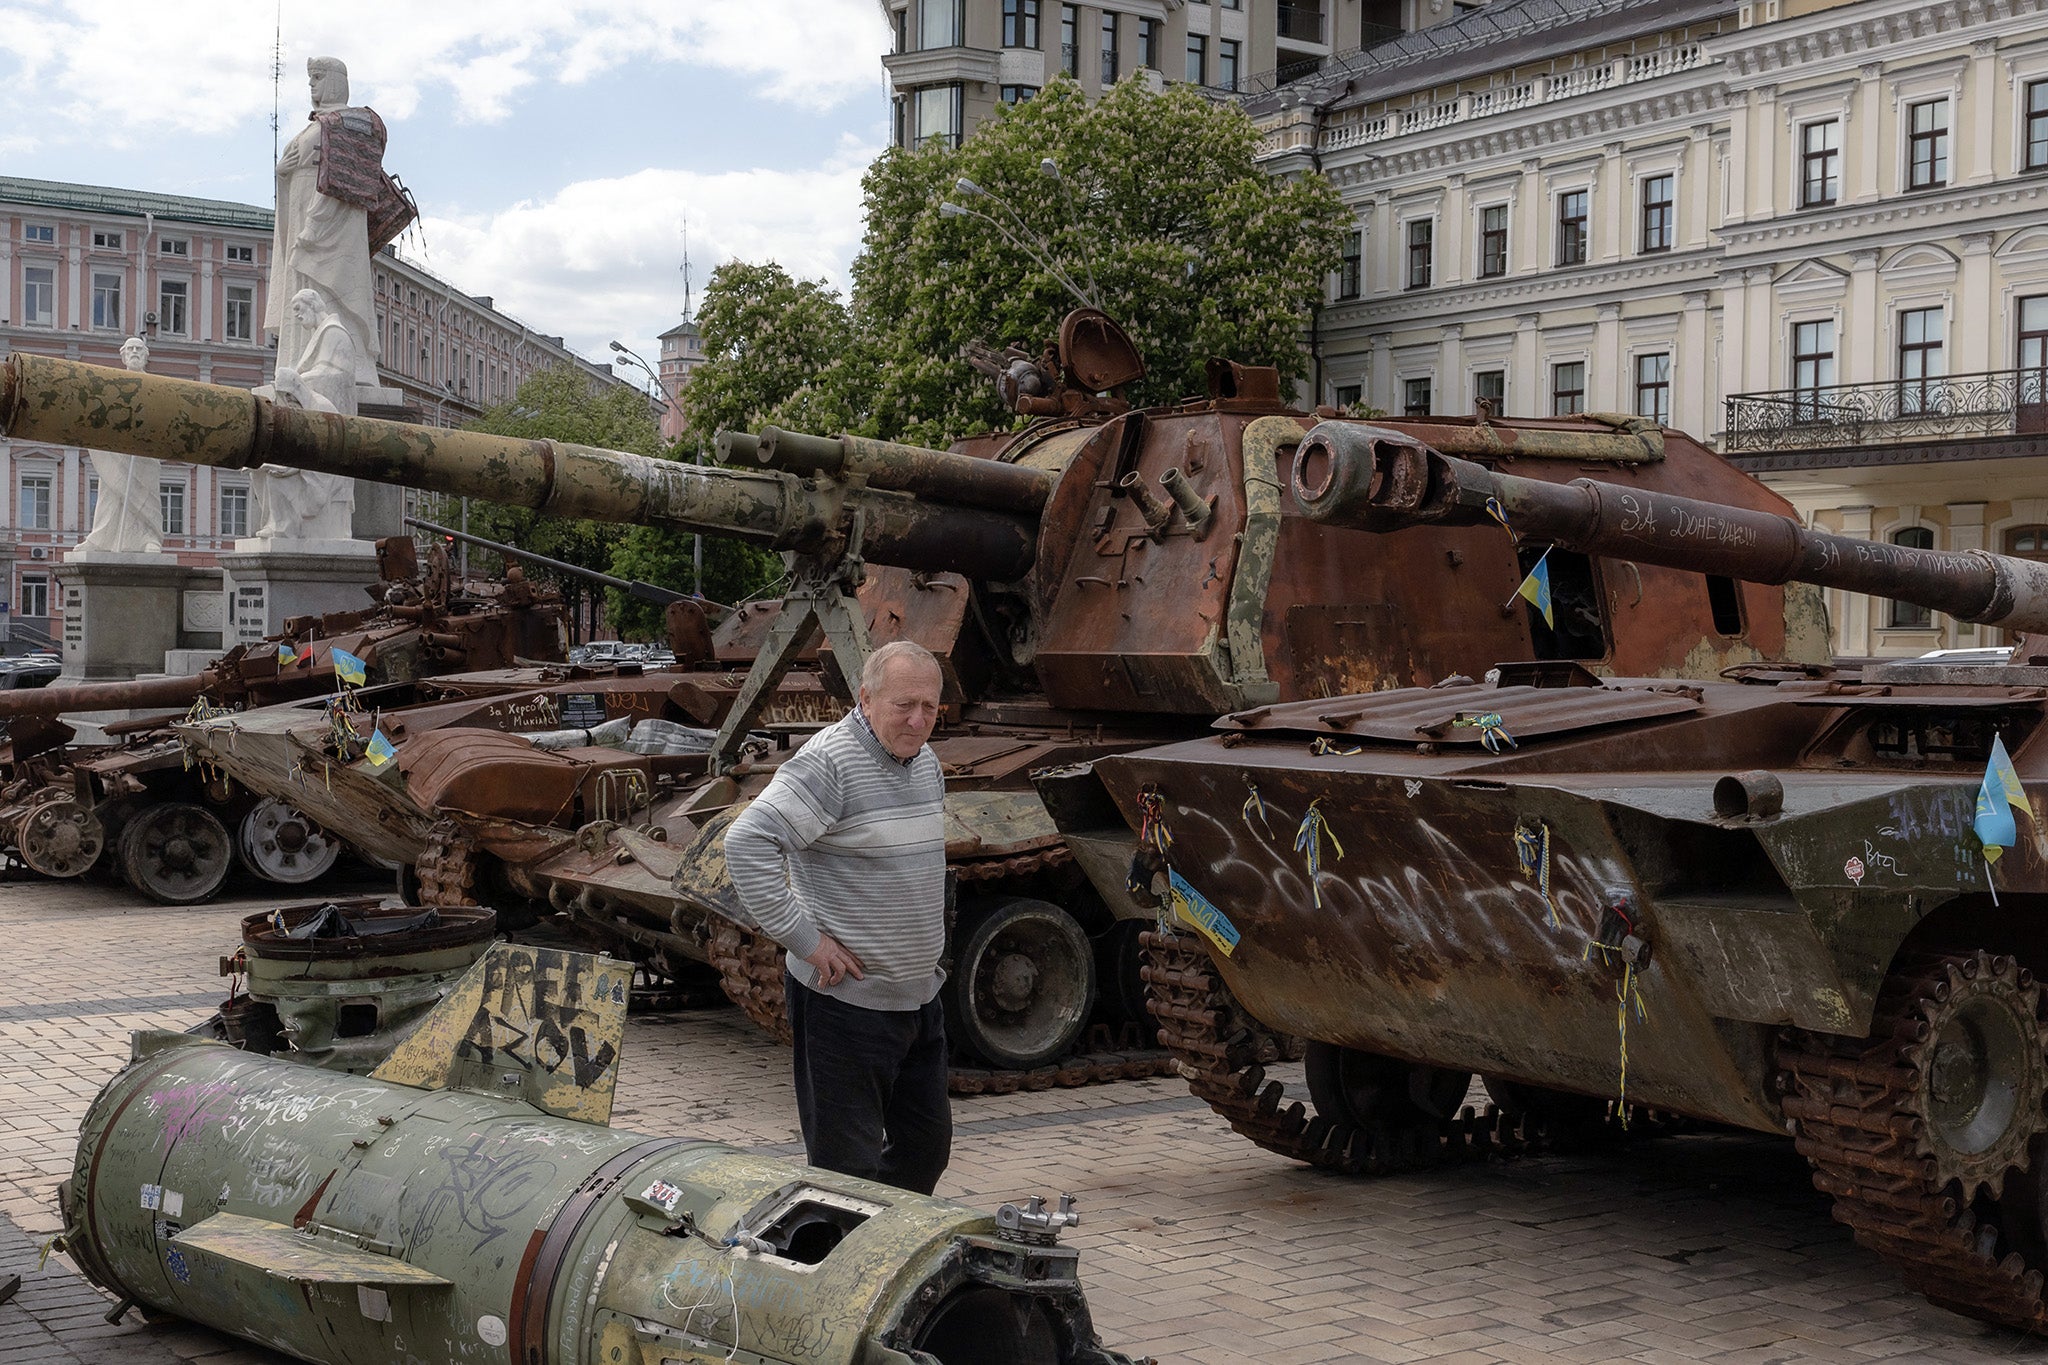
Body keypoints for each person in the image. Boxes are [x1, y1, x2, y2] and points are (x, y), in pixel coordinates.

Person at [724, 640, 951, 1194]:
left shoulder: (925, 763)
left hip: (918, 1002)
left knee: (924, 1150)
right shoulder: (830, 762)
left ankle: (885, 1256)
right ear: (865, 698)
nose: (918, 720)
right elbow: (747, 843)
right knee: (844, 1171)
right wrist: (807, 941)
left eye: (929, 706)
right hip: (844, 1004)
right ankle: (836, 1266)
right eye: (903, 705)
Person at [268, 56, 409, 390]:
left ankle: (344, 365)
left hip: (332, 229)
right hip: (304, 221)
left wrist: (315, 226)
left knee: (332, 291)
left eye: (318, 78)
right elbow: (301, 174)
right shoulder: (314, 124)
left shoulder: (352, 123)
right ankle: (299, 363)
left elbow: (347, 183)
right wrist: (283, 175)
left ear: (334, 80)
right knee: (302, 293)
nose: (312, 86)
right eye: (310, 80)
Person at [75, 337, 162, 555]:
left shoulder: (157, 386)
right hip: (118, 450)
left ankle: (149, 538)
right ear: (123, 355)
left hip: (145, 452)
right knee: (111, 492)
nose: (134, 352)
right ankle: (101, 539)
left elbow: (163, 416)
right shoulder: (114, 384)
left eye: (139, 349)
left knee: (147, 493)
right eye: (130, 349)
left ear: (146, 355)